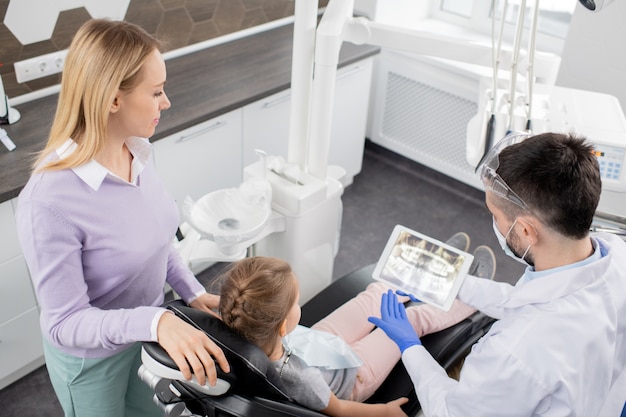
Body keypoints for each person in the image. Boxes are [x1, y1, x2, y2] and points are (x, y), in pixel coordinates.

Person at [15, 19, 229, 417]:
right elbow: (65, 324)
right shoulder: (47, 203)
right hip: (92, 362)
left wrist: (191, 291)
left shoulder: (138, 151)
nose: (166, 102)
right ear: (114, 99)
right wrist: (155, 322)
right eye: (157, 91)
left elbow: (157, 240)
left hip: (145, 336)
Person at [369, 132, 626, 417]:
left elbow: (448, 412)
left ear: (526, 230)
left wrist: (410, 346)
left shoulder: (513, 350)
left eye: (495, 214)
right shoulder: (616, 255)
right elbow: (531, 301)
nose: (494, 223)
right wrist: (458, 284)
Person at [217, 239, 494, 417]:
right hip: (353, 377)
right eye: (296, 303)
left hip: (311, 342)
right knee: (411, 321)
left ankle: (430, 273)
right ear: (281, 326)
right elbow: (338, 408)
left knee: (373, 296)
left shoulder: (240, 318)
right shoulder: (302, 381)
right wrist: (384, 412)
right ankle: (467, 295)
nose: (298, 305)